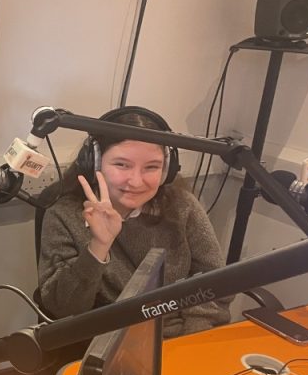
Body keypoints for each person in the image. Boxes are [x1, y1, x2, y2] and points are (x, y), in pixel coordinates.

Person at [38, 106, 231, 338]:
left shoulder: (183, 207)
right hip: (108, 344)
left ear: (167, 170)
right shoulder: (63, 214)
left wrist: (191, 341)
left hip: (183, 339)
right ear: (95, 162)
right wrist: (98, 246)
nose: (136, 181)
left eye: (152, 167)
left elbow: (216, 287)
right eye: (122, 165)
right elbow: (63, 308)